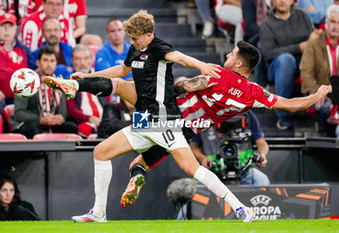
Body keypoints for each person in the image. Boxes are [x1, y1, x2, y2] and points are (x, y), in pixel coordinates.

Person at [44, 39, 331, 220]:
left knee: (121, 87)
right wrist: (316, 97)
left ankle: (76, 84)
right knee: (139, 163)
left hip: (168, 114)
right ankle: (239, 207)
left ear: (239, 63)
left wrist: (178, 80)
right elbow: (290, 104)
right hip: (188, 130)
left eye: (231, 54)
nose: (227, 56)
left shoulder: (216, 75)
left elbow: (183, 86)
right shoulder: (254, 93)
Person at [44, 10, 257, 223]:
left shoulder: (158, 47)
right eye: (130, 38)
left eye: (135, 38)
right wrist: (88, 74)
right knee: (101, 152)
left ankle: (241, 208)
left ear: (148, 35)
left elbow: (178, 57)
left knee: (192, 169)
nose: (132, 42)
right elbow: (121, 69)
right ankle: (99, 213)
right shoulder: (135, 49)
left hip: (165, 121)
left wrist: (200, 65)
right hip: (144, 120)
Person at [260, 0, 314, 130]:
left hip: (303, 63)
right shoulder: (267, 24)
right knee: (286, 60)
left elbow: (313, 40)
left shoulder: (302, 15)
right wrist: (298, 48)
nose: (282, 1)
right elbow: (269, 54)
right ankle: (283, 114)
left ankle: (319, 107)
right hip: (277, 67)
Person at [10, 46, 77, 139]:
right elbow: (19, 113)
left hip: (51, 123)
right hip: (30, 123)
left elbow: (63, 112)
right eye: (45, 60)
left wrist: (60, 118)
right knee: (35, 128)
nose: (49, 64)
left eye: (52, 61)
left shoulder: (60, 84)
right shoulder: (25, 81)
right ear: (38, 62)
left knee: (71, 128)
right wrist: (40, 119)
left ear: (56, 63)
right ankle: (41, 154)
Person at [190, 110, 270, 185]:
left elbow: (261, 142)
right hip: (213, 171)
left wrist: (262, 155)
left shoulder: (247, 115)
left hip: (245, 171)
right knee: (193, 187)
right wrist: (203, 158)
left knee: (262, 181)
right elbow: (193, 146)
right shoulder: (203, 117)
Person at [300, 4, 339, 134]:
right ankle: (326, 135)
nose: (336, 26)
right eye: (333, 22)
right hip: (317, 92)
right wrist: (319, 93)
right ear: (326, 23)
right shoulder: (314, 42)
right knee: (326, 106)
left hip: (337, 95)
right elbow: (306, 72)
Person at [0, 13, 36, 116]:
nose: (7, 29)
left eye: (10, 26)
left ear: (16, 29)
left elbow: (33, 70)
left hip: (20, 96)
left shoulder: (24, 50)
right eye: (3, 26)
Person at [66, 44, 103, 137]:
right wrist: (89, 118)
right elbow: (71, 110)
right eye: (78, 59)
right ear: (72, 61)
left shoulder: (100, 79)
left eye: (86, 58)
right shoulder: (68, 82)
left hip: (103, 121)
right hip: (82, 122)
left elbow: (107, 103)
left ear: (92, 59)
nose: (82, 63)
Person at [241, 0, 269, 87]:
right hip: (258, 36)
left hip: (280, 36)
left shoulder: (280, 2)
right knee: (261, 46)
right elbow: (250, 26)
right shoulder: (248, 2)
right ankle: (261, 87)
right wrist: (268, 32)